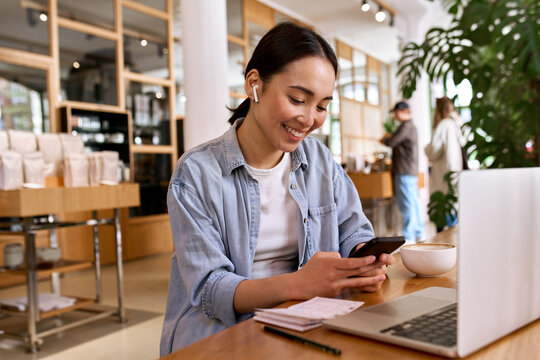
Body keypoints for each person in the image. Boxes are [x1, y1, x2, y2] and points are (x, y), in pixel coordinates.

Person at [160, 22, 395, 355]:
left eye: (322, 106)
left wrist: (361, 260)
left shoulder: (319, 159)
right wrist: (301, 283)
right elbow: (211, 290)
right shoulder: (196, 174)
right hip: (220, 337)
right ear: (254, 84)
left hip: (304, 324)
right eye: (298, 99)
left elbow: (352, 231)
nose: (309, 118)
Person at [380, 101, 424, 244]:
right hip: (410, 170)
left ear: (403, 111)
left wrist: (385, 138)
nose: (395, 115)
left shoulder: (405, 127)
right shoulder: (412, 127)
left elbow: (391, 142)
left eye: (396, 112)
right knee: (414, 203)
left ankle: (409, 236)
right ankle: (418, 232)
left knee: (407, 205)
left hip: (404, 171)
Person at [424, 96, 466, 231]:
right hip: (455, 173)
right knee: (453, 209)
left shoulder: (443, 125)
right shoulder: (456, 124)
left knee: (443, 212)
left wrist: (426, 148)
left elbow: (433, 151)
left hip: (443, 174)